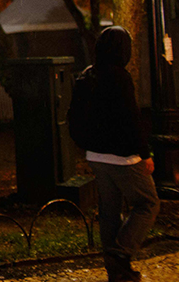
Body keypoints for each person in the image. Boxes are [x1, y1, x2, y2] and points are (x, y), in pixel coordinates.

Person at [68, 26, 159, 282]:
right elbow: (131, 119)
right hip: (123, 157)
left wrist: (85, 143)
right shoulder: (119, 77)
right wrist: (145, 153)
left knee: (110, 210)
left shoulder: (87, 76)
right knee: (148, 203)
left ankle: (117, 273)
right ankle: (120, 253)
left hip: (96, 156)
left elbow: (73, 116)